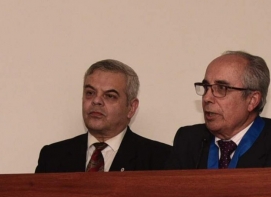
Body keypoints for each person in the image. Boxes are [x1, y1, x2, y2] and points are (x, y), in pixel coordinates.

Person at [167, 51, 271, 169]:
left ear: (252, 100)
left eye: (221, 88)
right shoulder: (189, 141)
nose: (207, 98)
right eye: (206, 87)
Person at [35, 60, 171, 173]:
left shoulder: (161, 159)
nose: (96, 101)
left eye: (110, 96)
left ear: (131, 107)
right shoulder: (52, 157)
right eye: (90, 93)